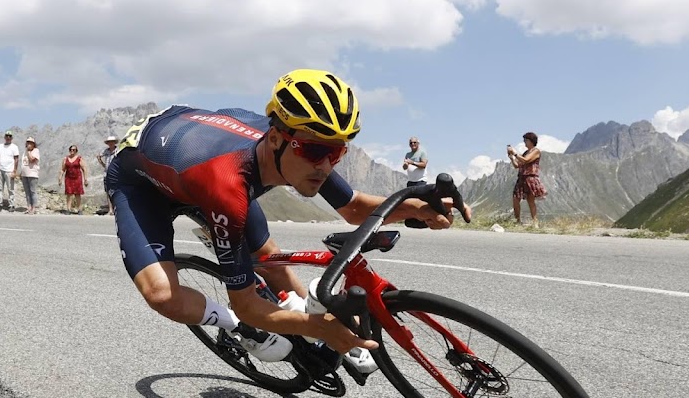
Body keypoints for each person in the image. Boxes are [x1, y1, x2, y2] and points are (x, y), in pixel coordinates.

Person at [105, 68, 470, 369]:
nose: (326, 164)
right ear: (277, 138)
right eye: (315, 150)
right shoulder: (227, 186)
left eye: (338, 151)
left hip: (191, 150)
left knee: (270, 261)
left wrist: (417, 209)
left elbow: (353, 207)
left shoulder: (302, 149)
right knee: (162, 295)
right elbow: (247, 303)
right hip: (141, 183)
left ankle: (305, 320)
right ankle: (236, 329)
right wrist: (308, 326)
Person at [507, 132, 547, 226]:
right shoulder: (525, 153)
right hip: (521, 178)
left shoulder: (536, 151)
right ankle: (518, 221)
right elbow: (517, 165)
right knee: (515, 199)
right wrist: (512, 158)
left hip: (530, 178)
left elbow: (526, 160)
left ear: (531, 141)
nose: (524, 142)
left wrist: (515, 153)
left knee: (530, 201)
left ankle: (535, 221)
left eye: (526, 140)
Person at [0, 130, 20, 212]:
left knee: (10, 189)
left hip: (9, 170)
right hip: (1, 169)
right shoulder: (0, 146)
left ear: (11, 138)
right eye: (7, 136)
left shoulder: (14, 147)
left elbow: (16, 159)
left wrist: (14, 171)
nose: (8, 137)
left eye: (10, 136)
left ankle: (11, 205)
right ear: (4, 137)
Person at [59, 145, 88, 214]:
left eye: (74, 150)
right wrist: (60, 178)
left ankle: (79, 209)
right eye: (71, 150)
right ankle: (68, 209)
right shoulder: (65, 159)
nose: (72, 151)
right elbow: (62, 169)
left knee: (77, 194)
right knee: (69, 194)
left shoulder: (79, 158)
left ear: (76, 151)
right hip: (68, 178)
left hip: (77, 178)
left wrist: (85, 179)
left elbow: (84, 169)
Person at [97, 135, 119, 215]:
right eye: (109, 142)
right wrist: (103, 165)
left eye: (112, 142)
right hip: (107, 174)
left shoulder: (118, 150)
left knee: (116, 191)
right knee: (108, 191)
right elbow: (99, 156)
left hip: (116, 174)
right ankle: (110, 209)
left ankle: (116, 208)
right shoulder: (106, 151)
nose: (111, 143)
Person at [21, 137, 41, 214]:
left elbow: (32, 160)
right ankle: (29, 206)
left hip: (32, 174)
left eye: (30, 143)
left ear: (33, 144)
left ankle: (34, 207)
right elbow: (23, 162)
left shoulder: (36, 151)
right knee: (27, 192)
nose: (29, 144)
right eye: (28, 142)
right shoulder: (24, 152)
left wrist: (29, 152)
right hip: (24, 174)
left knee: (33, 191)